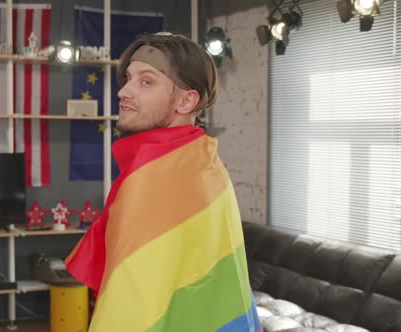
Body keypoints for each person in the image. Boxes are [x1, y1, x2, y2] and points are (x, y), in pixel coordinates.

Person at [65, 32, 262, 332]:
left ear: (185, 100)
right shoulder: (203, 161)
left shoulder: (157, 180)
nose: (124, 91)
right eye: (128, 79)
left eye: (146, 82)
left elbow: (129, 303)